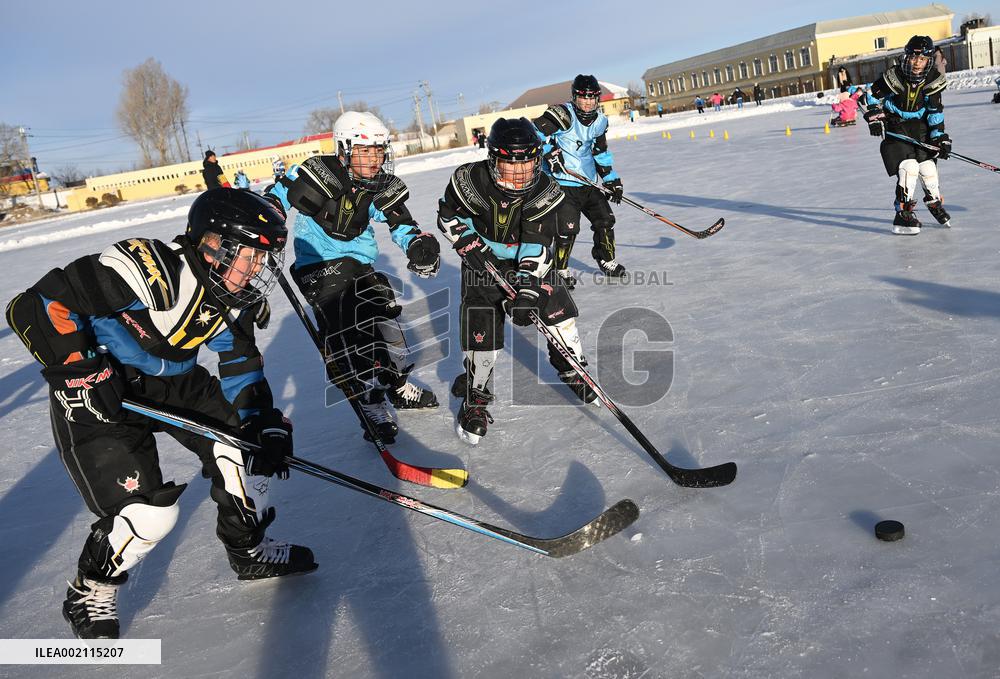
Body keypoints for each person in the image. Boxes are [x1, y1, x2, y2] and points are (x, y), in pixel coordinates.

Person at [3, 189, 316, 639]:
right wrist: (83, 371)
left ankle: (248, 550)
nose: (255, 268)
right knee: (148, 518)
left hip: (177, 383)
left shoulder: (232, 292)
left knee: (249, 451)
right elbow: (36, 305)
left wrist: (259, 417)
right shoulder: (153, 270)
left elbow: (239, 360)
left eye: (261, 256)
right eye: (247, 254)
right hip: (99, 392)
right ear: (211, 242)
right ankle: (91, 586)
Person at [266, 111, 440, 443]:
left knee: (384, 314)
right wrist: (267, 222)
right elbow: (277, 196)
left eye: (378, 151)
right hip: (317, 265)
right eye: (364, 151)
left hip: (358, 265)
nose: (373, 159)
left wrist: (416, 244)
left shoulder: (376, 185)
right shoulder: (318, 174)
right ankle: (369, 400)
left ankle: (397, 384)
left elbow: (399, 222)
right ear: (344, 150)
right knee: (349, 327)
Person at [436, 117, 597, 445]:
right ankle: (476, 397)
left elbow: (537, 241)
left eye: (527, 164)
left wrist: (526, 286)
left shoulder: (546, 189)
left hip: (528, 259)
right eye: (511, 166)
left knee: (559, 312)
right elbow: (447, 215)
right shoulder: (468, 180)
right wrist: (466, 240)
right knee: (481, 326)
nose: (521, 174)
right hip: (481, 258)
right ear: (493, 159)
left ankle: (570, 364)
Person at [532, 74, 627, 284]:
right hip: (563, 182)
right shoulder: (562, 114)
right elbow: (533, 132)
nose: (588, 102)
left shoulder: (600, 121)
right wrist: (549, 152)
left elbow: (600, 152)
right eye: (583, 97)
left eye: (592, 97)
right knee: (567, 229)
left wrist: (611, 179)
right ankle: (561, 269)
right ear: (575, 97)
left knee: (605, 221)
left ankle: (606, 260)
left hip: (588, 182)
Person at [864, 35, 951, 234]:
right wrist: (876, 118)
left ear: (929, 61)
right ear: (906, 57)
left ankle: (934, 203)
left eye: (922, 59)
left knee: (928, 168)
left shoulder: (933, 81)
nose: (916, 63)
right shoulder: (894, 77)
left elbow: (935, 112)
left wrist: (939, 137)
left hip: (920, 130)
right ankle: (902, 214)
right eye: (913, 57)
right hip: (897, 128)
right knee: (909, 168)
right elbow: (868, 96)